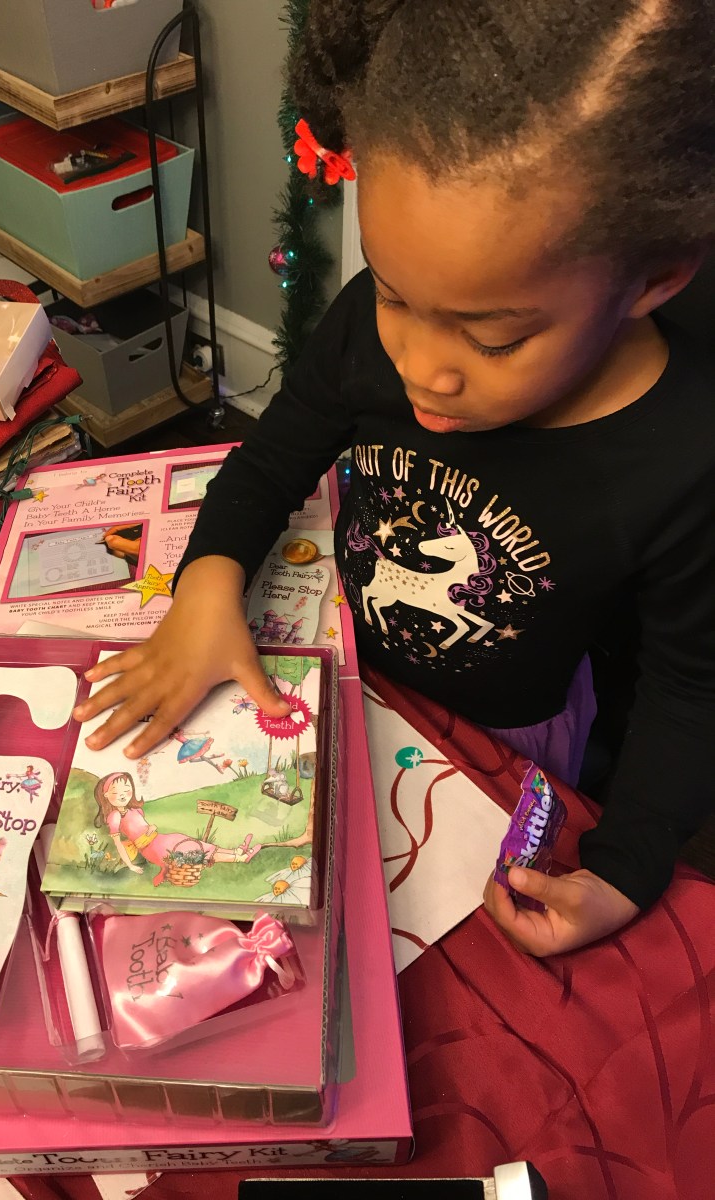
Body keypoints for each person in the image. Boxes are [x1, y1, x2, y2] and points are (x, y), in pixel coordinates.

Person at [76, 0, 715, 955]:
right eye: (391, 293)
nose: (420, 367)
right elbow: (273, 457)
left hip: (507, 738)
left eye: (491, 339)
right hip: (349, 671)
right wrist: (206, 585)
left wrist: (624, 870)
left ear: (654, 279)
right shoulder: (367, 333)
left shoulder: (686, 453)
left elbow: (690, 687)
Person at [93, 771, 261, 886]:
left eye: (127, 789)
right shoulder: (115, 816)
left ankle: (237, 852)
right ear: (106, 795)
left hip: (160, 839)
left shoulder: (134, 810)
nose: (123, 794)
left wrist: (151, 827)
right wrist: (130, 865)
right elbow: (119, 843)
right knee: (191, 851)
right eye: (117, 791)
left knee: (193, 843)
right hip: (152, 849)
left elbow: (141, 827)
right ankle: (238, 858)